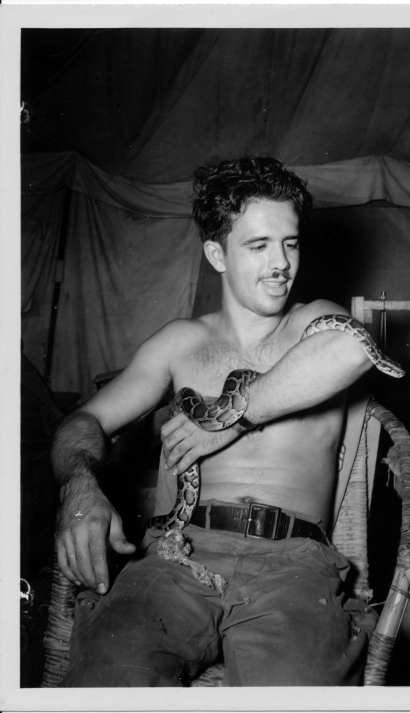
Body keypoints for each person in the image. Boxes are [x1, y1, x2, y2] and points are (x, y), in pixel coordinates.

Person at [52, 156, 392, 687]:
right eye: (258, 246)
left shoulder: (312, 322)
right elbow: (84, 420)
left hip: (295, 566)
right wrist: (79, 486)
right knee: (109, 674)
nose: (281, 263)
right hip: (178, 556)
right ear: (217, 254)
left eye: (291, 242)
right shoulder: (179, 343)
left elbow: (354, 351)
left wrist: (232, 419)